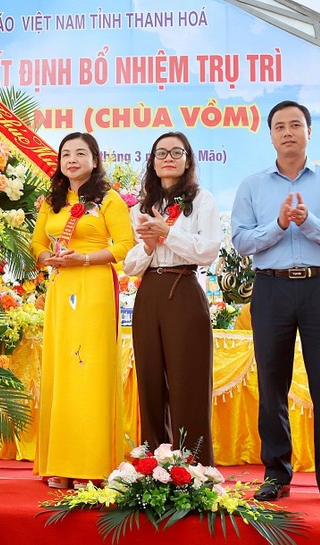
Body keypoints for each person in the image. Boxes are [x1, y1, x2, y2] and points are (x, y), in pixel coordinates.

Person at [231, 100, 320, 506]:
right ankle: (276, 473)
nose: (287, 132)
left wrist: (309, 222)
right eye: (279, 126)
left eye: (295, 125)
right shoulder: (252, 186)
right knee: (272, 385)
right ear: (270, 135)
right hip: (270, 289)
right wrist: (280, 225)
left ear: (308, 132)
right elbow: (241, 241)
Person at [31, 132, 136, 489]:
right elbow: (37, 241)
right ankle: (60, 461)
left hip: (93, 287)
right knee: (63, 370)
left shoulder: (108, 199)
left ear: (95, 159)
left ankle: (92, 463)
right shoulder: (53, 200)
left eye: (80, 153)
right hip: (61, 288)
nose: (72, 159)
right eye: (65, 154)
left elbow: (125, 245)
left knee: (90, 369)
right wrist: (47, 257)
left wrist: (86, 258)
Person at [123, 132, 220, 464]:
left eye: (176, 152)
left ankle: (194, 467)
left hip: (184, 288)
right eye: (160, 153)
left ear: (188, 160)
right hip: (149, 290)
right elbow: (130, 264)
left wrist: (167, 233)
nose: (168, 158)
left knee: (188, 381)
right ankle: (152, 466)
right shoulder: (142, 206)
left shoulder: (201, 199)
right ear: (151, 161)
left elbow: (208, 250)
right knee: (149, 381)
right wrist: (149, 246)